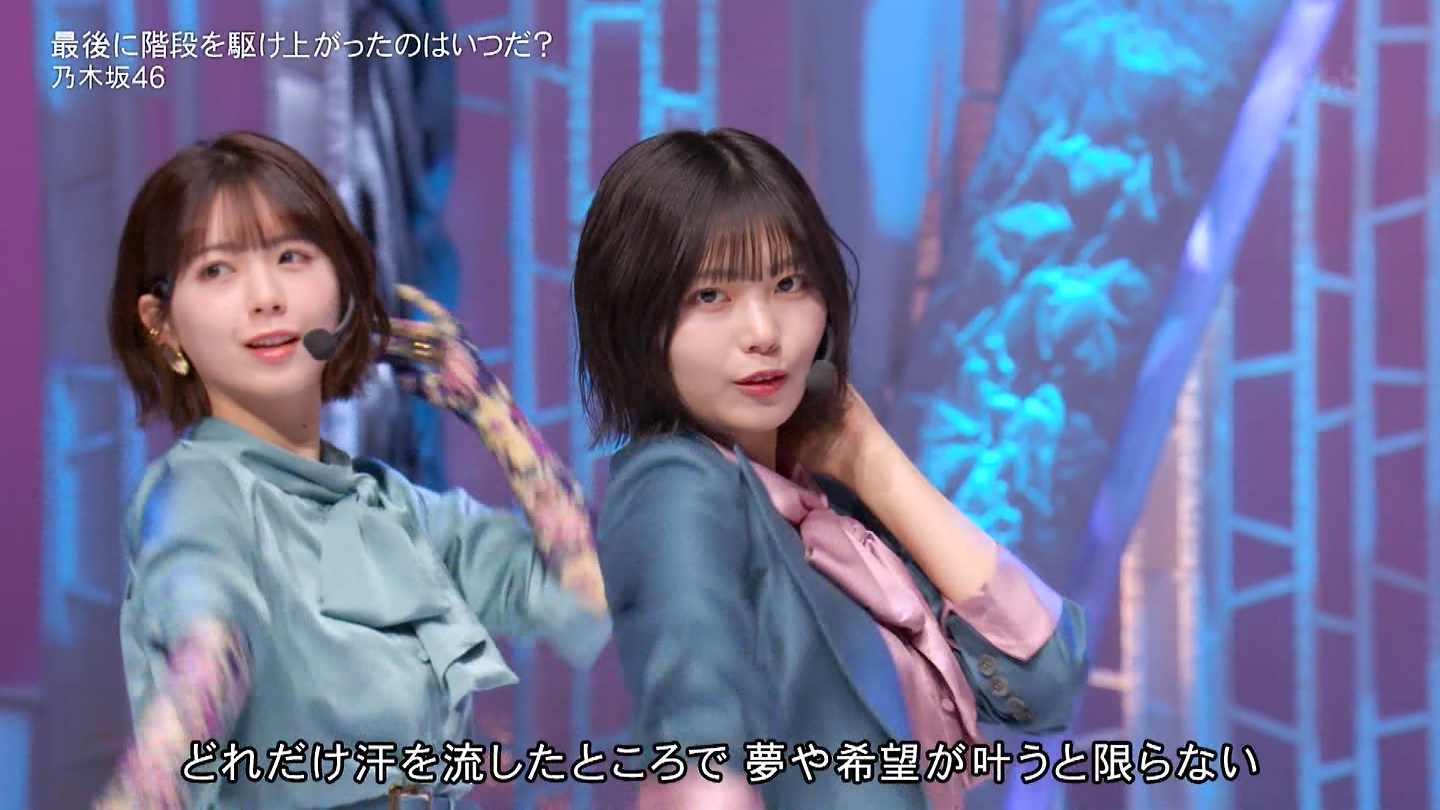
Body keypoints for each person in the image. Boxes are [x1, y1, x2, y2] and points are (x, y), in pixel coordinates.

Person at [572, 127, 1090, 810]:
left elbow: (1045, 684)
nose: (764, 332)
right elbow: (696, 750)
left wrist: (871, 457)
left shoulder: (833, 511)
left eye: (789, 283)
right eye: (710, 296)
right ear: (635, 315)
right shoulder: (676, 486)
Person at [97, 131, 610, 809]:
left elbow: (584, 603)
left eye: (291, 256)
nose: (266, 296)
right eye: (217, 269)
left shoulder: (398, 510)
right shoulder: (200, 495)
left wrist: (488, 406)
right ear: (161, 324)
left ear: (342, 287)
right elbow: (206, 651)